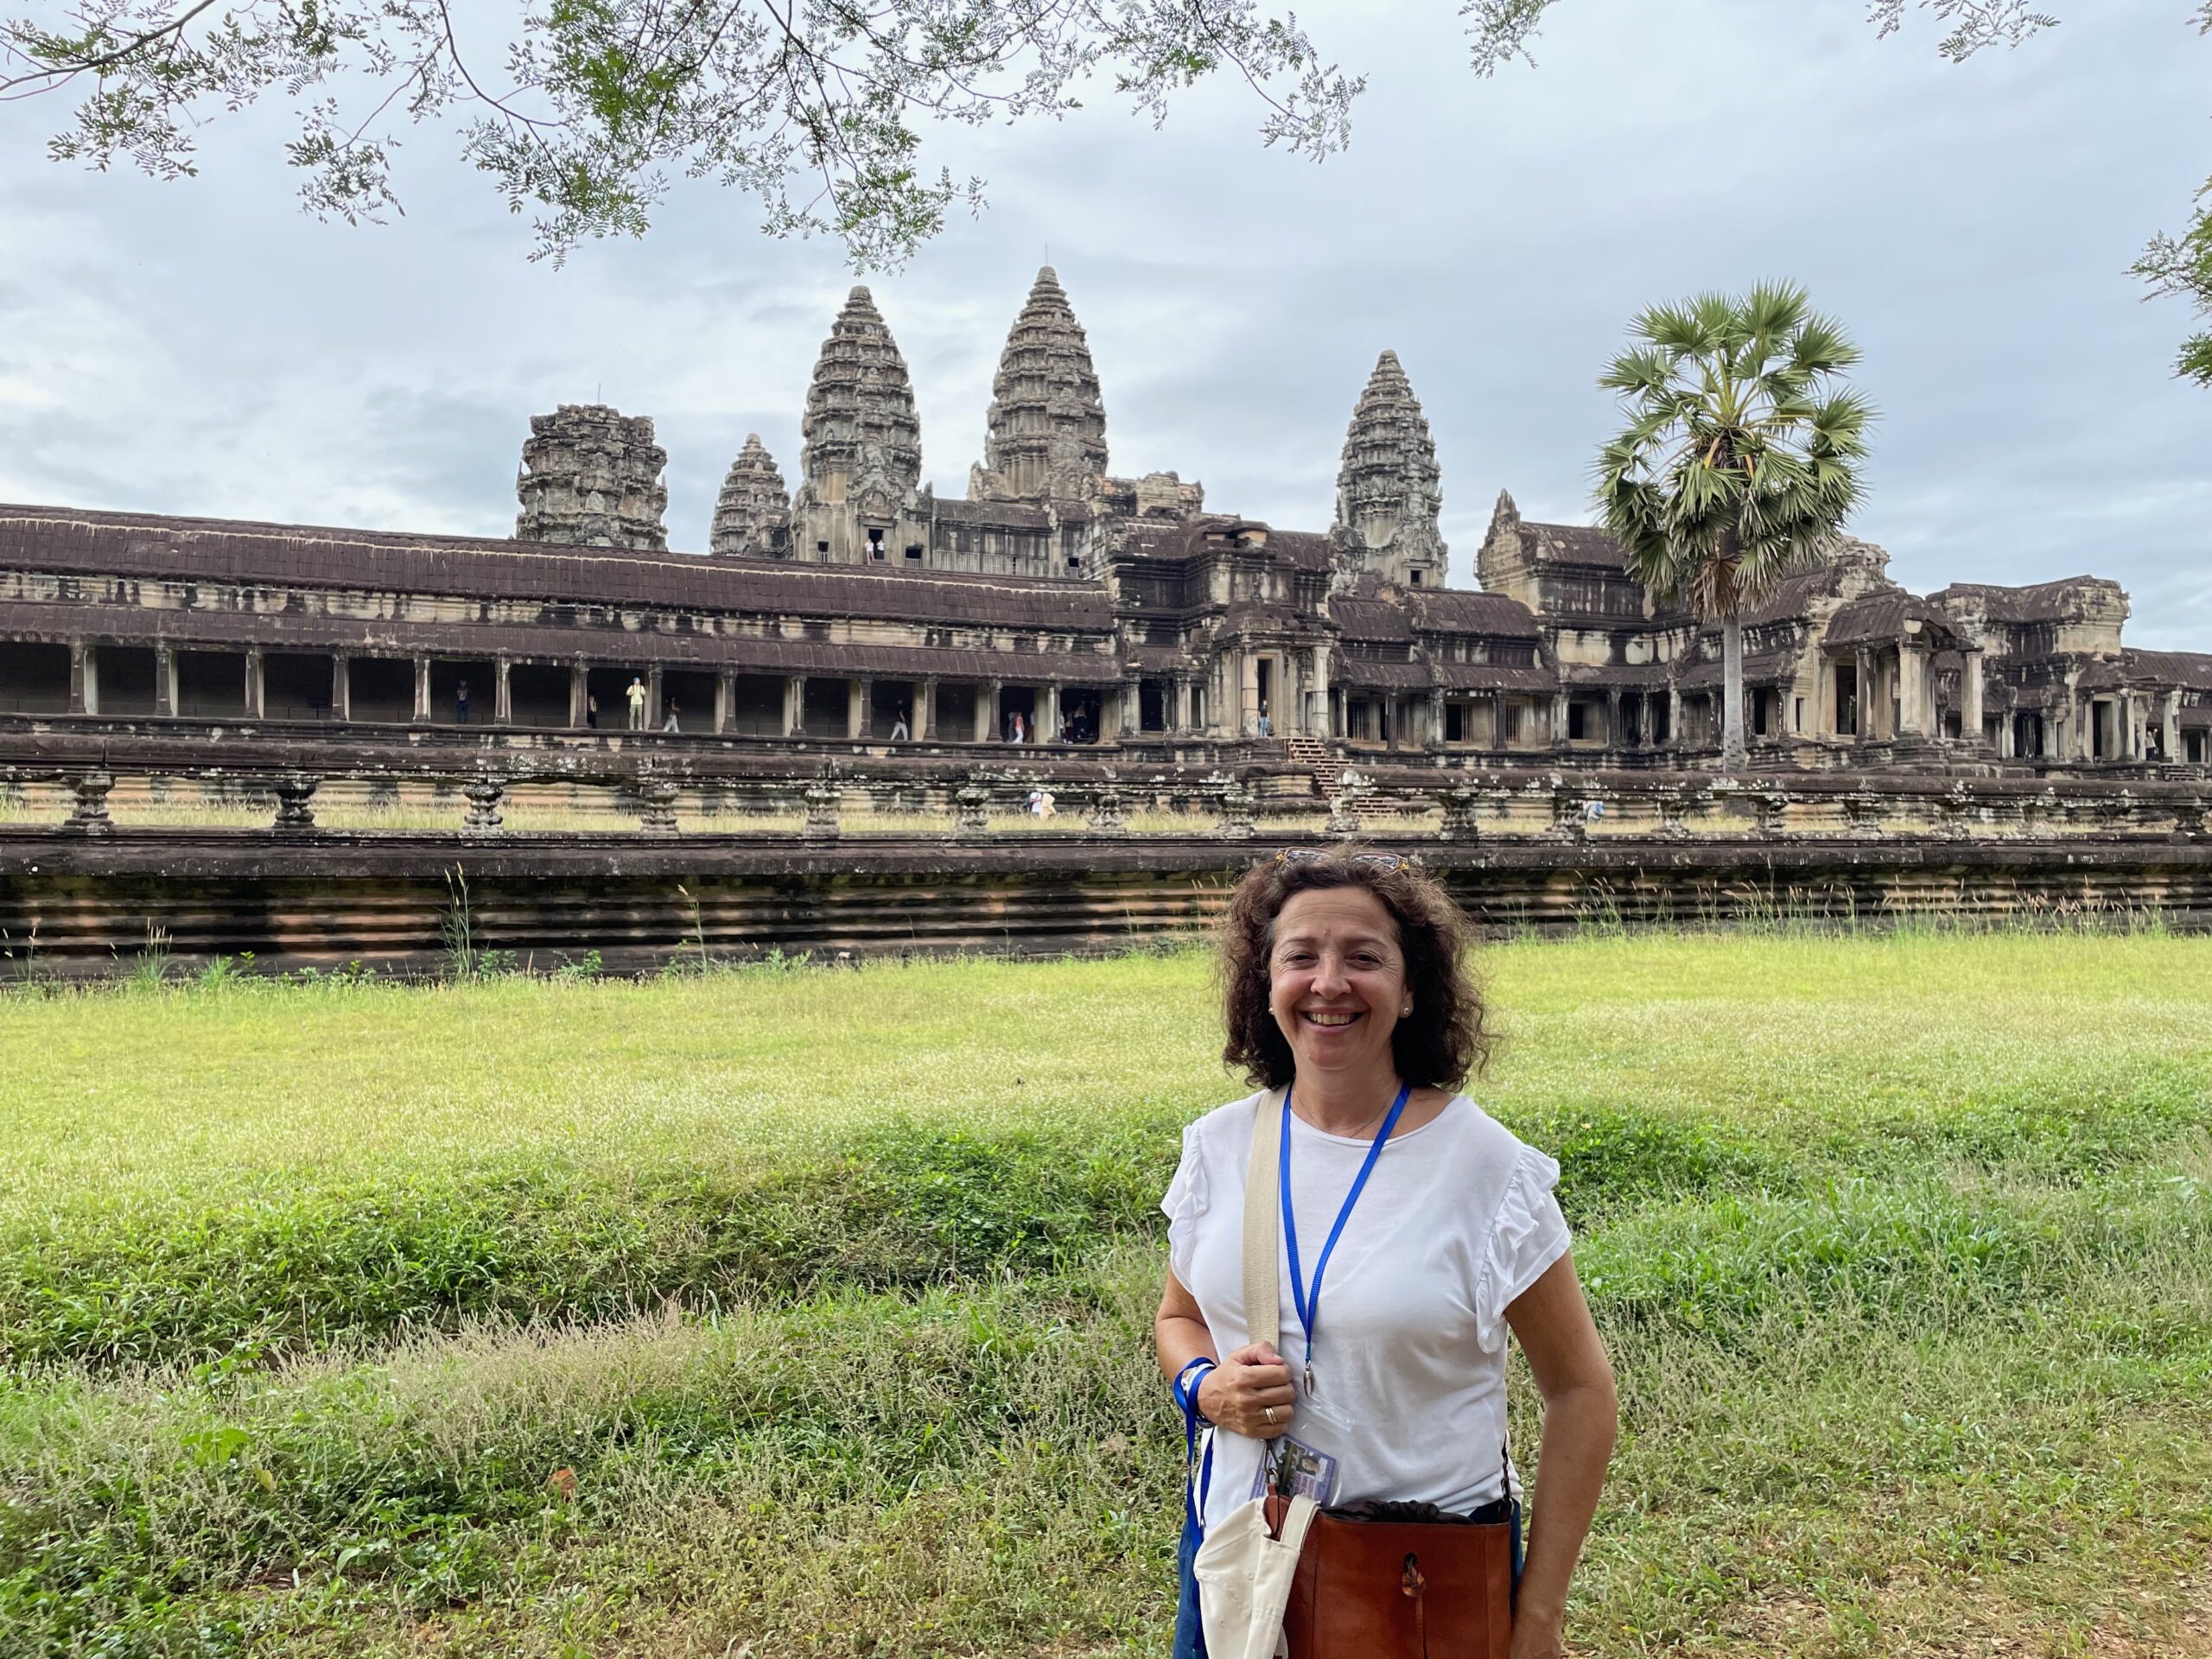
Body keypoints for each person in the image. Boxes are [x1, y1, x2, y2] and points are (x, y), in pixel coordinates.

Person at [1157, 848, 1616, 1659]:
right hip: (1238, 1552)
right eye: (1300, 957)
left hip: (1416, 1571)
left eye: (1363, 958)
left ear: (1410, 991)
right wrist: (1206, 1387)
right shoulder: (1218, 1147)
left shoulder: (1485, 1168)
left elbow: (1581, 1388)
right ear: (1266, 984)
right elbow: (1180, 1317)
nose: (1328, 983)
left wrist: (1537, 1616)